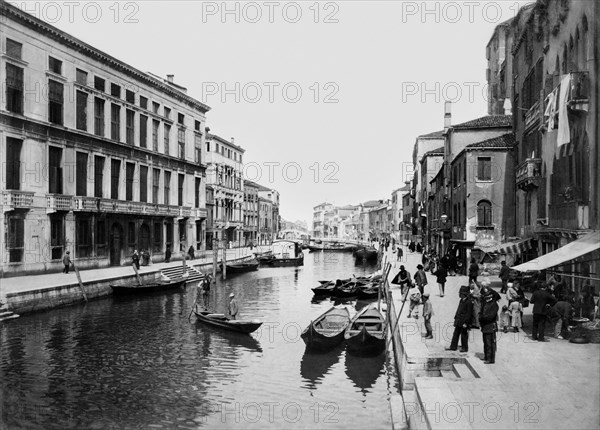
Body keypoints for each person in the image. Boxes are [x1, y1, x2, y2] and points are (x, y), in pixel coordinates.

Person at [446, 285, 473, 352]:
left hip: (464, 321)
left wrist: (466, 323)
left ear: (464, 294)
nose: (459, 294)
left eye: (460, 293)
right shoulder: (461, 300)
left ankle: (465, 348)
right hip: (459, 320)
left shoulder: (469, 302)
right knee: (456, 334)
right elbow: (459, 310)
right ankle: (453, 346)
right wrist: (456, 317)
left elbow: (469, 314)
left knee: (464, 335)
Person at [479, 290, 499, 364]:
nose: (486, 298)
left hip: (490, 325)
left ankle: (490, 359)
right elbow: (481, 313)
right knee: (486, 342)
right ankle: (486, 356)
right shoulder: (485, 303)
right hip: (485, 326)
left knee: (490, 343)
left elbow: (491, 316)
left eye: (487, 296)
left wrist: (482, 318)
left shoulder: (494, 304)